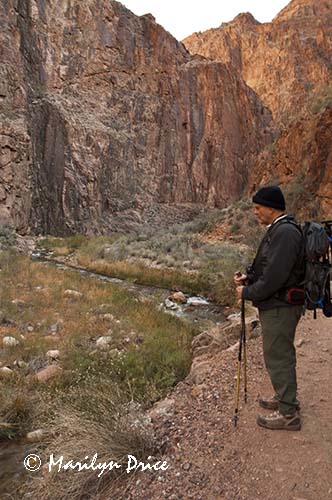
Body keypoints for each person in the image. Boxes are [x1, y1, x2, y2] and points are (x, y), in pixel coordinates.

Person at [234, 185, 304, 431]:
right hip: (278, 303)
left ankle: (289, 414)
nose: (255, 212)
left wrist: (248, 292)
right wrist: (250, 279)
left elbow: (275, 276)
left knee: (278, 357)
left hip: (281, 306)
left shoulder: (284, 232)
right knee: (279, 354)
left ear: (272, 207)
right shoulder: (279, 229)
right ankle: (284, 398)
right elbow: (269, 269)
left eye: (258, 207)